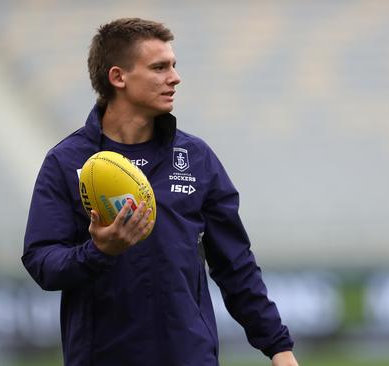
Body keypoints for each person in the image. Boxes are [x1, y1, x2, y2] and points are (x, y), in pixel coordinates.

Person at [22, 17, 298, 366]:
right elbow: (41, 261)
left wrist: (278, 347)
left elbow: (235, 264)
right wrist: (98, 251)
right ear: (118, 77)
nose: (175, 77)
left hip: (189, 356)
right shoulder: (66, 162)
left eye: (173, 66)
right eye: (159, 67)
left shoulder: (196, 158)